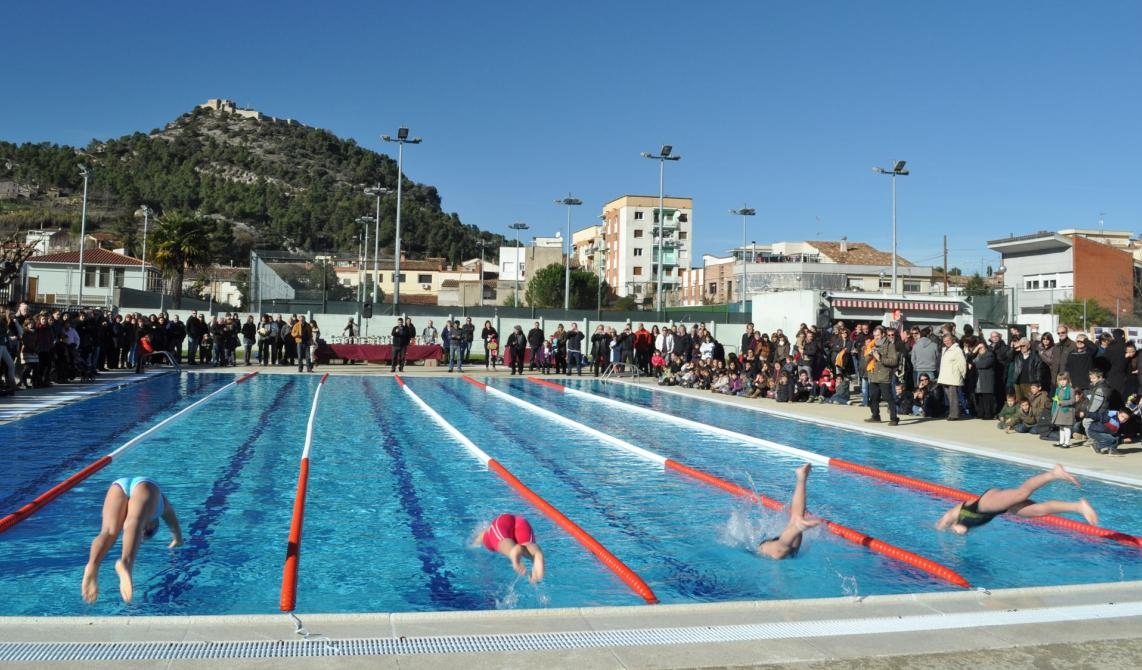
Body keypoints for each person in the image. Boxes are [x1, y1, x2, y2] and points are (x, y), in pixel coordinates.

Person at [82, 477, 183, 603]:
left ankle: (92, 564)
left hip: (119, 485)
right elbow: (170, 522)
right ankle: (126, 563)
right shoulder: (158, 509)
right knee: (134, 521)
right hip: (144, 485)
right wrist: (177, 538)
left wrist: (177, 538)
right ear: (152, 525)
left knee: (108, 531)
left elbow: (174, 525)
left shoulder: (161, 507)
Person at [935, 464, 1098, 535]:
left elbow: (945, 520)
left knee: (1021, 494)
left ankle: (1054, 473)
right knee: (1037, 511)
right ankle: (1078, 506)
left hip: (985, 503)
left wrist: (947, 526)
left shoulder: (953, 516)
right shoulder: (963, 525)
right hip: (997, 509)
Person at [757, 464, 822, 559]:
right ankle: (801, 477)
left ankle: (797, 527)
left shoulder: (767, 550)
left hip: (767, 548)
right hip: (778, 546)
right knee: (797, 518)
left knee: (782, 549)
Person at [482, 513, 544, 583]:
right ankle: (536, 553)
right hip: (522, 523)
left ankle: (512, 551)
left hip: (503, 522)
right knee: (527, 544)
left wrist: (473, 544)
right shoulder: (490, 529)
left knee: (502, 542)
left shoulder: (487, 535)